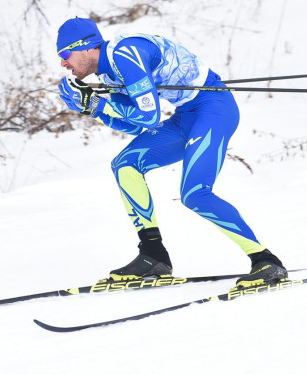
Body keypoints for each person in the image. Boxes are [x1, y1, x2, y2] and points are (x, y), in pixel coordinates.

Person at [55, 17, 287, 289]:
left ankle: (265, 260)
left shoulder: (125, 54)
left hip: (213, 107)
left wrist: (98, 104)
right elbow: (131, 124)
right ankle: (153, 255)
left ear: (85, 47)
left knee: (195, 193)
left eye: (65, 54)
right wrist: (93, 109)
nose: (63, 63)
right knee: (125, 164)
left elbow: (149, 115)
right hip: (186, 116)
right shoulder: (107, 73)